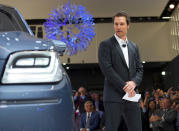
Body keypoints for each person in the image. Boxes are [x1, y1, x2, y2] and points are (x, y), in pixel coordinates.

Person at [98, 11, 143, 131]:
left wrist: (133, 83)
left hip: (132, 96)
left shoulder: (134, 46)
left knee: (137, 128)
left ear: (128, 25)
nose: (118, 27)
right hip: (113, 96)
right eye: (116, 24)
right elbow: (107, 70)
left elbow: (139, 69)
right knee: (112, 128)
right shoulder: (105, 45)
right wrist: (125, 87)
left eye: (121, 24)